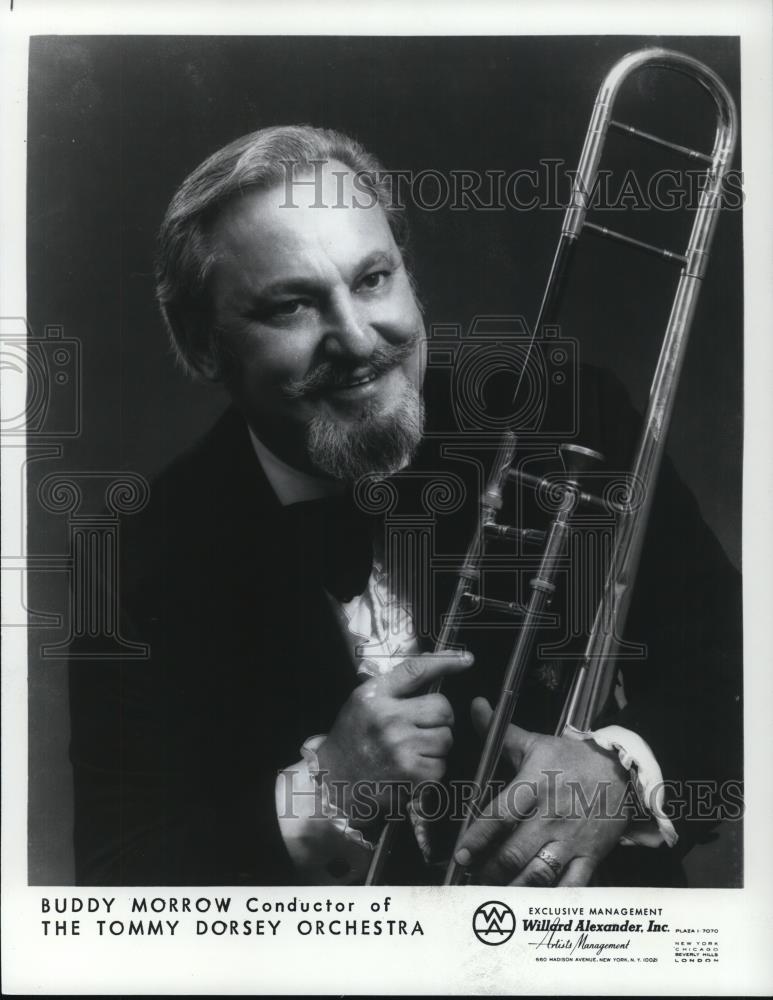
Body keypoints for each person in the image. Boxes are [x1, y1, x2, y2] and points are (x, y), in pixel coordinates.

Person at [68, 125, 742, 887]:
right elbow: (116, 876)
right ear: (203, 347)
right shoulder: (137, 552)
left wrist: (618, 773)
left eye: (372, 279)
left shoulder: (569, 414)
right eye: (292, 306)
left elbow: (738, 667)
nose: (357, 339)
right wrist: (322, 797)